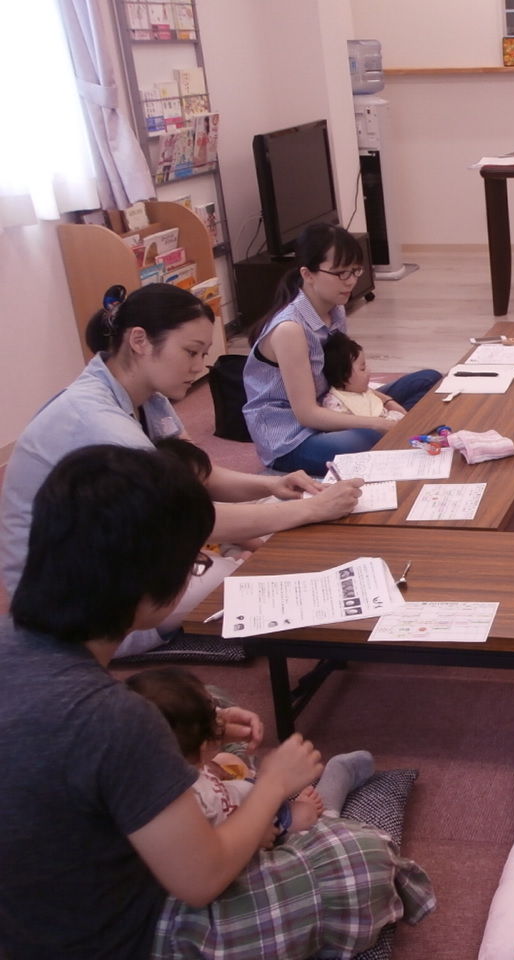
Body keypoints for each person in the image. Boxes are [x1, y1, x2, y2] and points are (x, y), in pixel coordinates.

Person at [0, 445, 433, 960]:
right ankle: (307, 817)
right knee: (361, 860)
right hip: (128, 931)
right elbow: (200, 879)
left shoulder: (19, 645)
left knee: (204, 703)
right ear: (151, 585)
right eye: (194, 562)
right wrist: (272, 785)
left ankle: (277, 813)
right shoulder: (115, 720)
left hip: (53, 884)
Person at [0, 283, 363, 656]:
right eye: (190, 352)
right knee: (250, 578)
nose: (199, 366)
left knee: (266, 530)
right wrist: (309, 509)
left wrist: (271, 486)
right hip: (79, 603)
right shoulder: (97, 421)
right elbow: (184, 517)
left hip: (117, 549)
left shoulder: (144, 395)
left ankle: (227, 557)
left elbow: (197, 476)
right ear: (139, 341)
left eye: (203, 354)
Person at [243, 223, 440, 475]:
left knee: (428, 380)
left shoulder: (335, 310)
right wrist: (377, 423)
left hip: (337, 403)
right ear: (308, 274)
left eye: (355, 271)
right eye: (340, 273)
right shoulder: (290, 330)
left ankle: (399, 435)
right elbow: (307, 415)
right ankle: (401, 436)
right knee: (369, 437)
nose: (351, 281)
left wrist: (388, 403)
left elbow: (342, 378)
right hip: (294, 438)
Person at [126, 667, 376, 843]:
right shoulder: (189, 811)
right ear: (202, 747)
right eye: (215, 720)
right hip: (258, 825)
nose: (221, 718)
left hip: (246, 797)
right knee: (312, 818)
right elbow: (220, 847)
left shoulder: (159, 763)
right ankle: (337, 781)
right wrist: (259, 835)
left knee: (229, 762)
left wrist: (218, 760)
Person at [321, 330, 406, 423]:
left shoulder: (363, 391)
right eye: (362, 369)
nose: (369, 371)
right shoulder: (335, 402)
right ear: (345, 376)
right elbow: (340, 425)